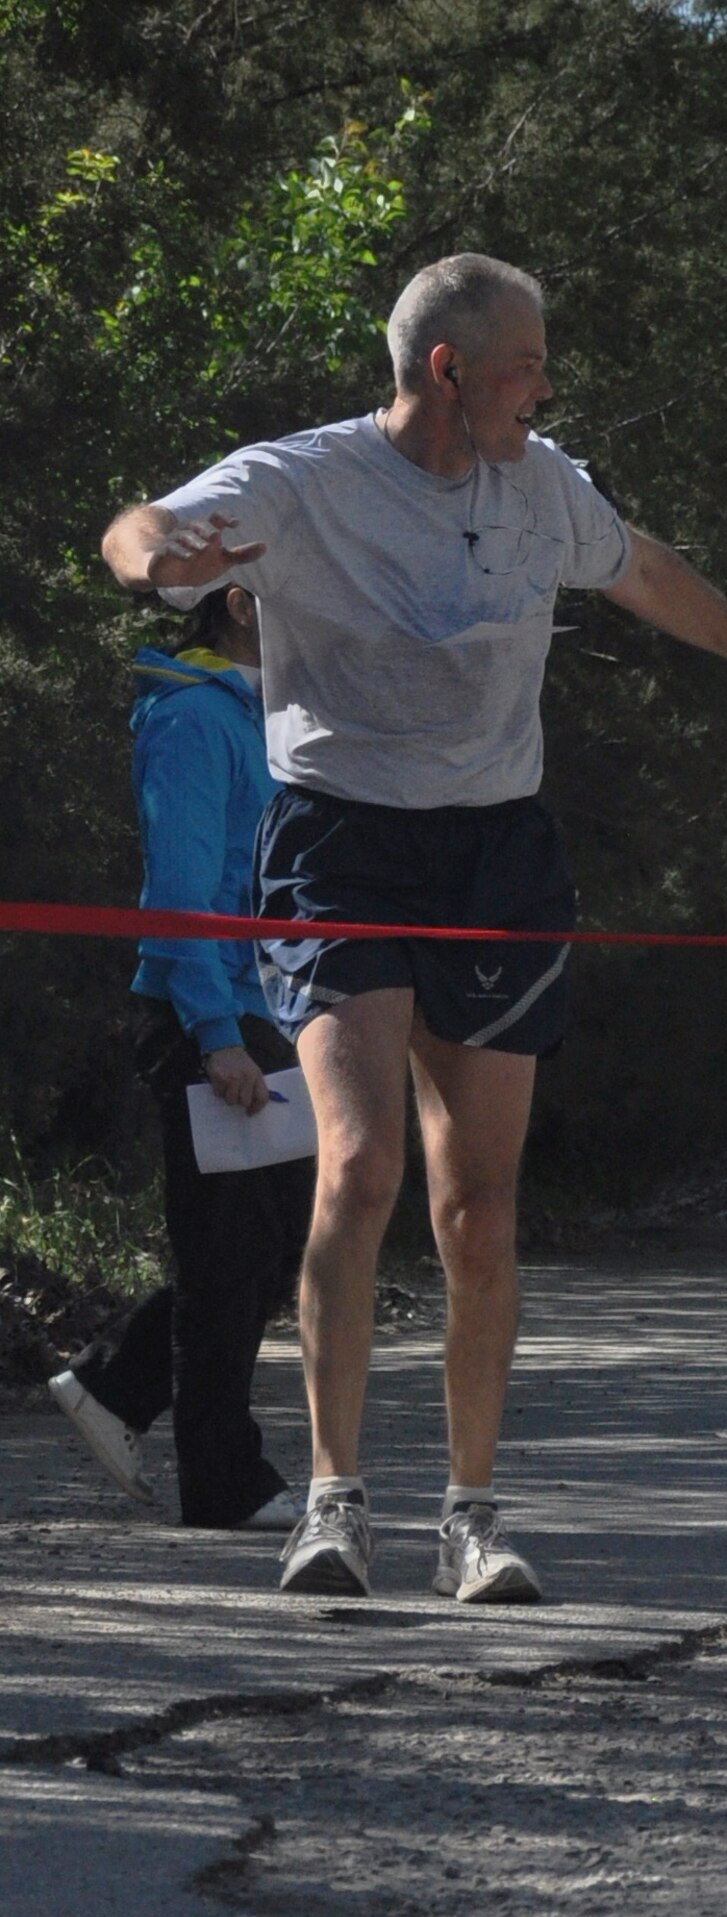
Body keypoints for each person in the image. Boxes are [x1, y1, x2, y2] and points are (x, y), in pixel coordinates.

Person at [100, 251, 727, 1604]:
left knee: (476, 1209)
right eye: (526, 362)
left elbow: (643, 570)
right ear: (449, 369)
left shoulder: (543, 485)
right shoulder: (301, 481)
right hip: (340, 843)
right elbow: (139, 528)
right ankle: (333, 1506)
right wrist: (158, 556)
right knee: (356, 1170)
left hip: (496, 855)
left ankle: (471, 1517)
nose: (545, 384)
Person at [50, 584, 311, 1530]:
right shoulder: (193, 716)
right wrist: (214, 1039)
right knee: (233, 1250)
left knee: (282, 1241)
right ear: (242, 605)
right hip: (207, 1016)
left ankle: (116, 1388)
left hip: (262, 1009)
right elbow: (181, 885)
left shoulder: (264, 718)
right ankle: (222, 1479)